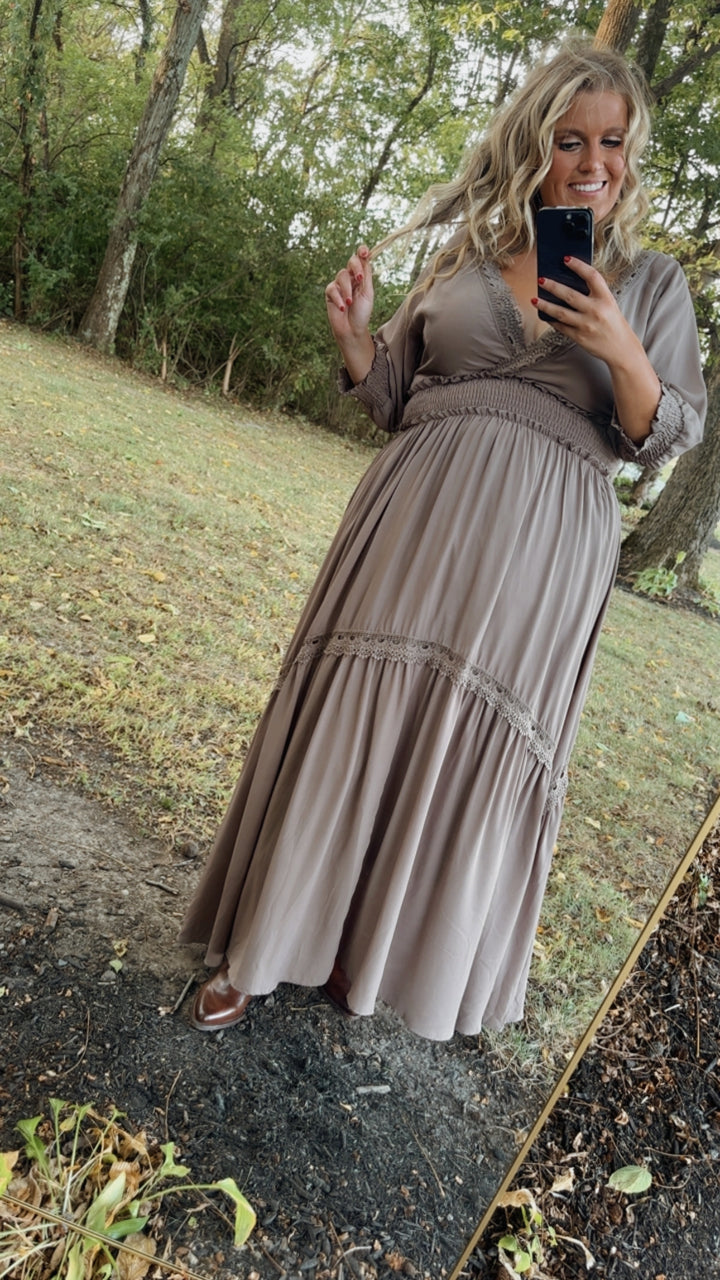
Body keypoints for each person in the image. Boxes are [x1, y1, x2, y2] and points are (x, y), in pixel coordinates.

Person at [179, 40, 705, 1041]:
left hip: (543, 556)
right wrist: (356, 340)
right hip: (412, 521)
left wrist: (620, 347)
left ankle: (364, 952)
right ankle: (262, 941)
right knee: (355, 711)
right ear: (533, 143)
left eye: (613, 143)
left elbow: (665, 435)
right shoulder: (465, 254)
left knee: (458, 743)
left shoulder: (650, 283)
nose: (594, 163)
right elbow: (395, 396)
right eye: (570, 140)